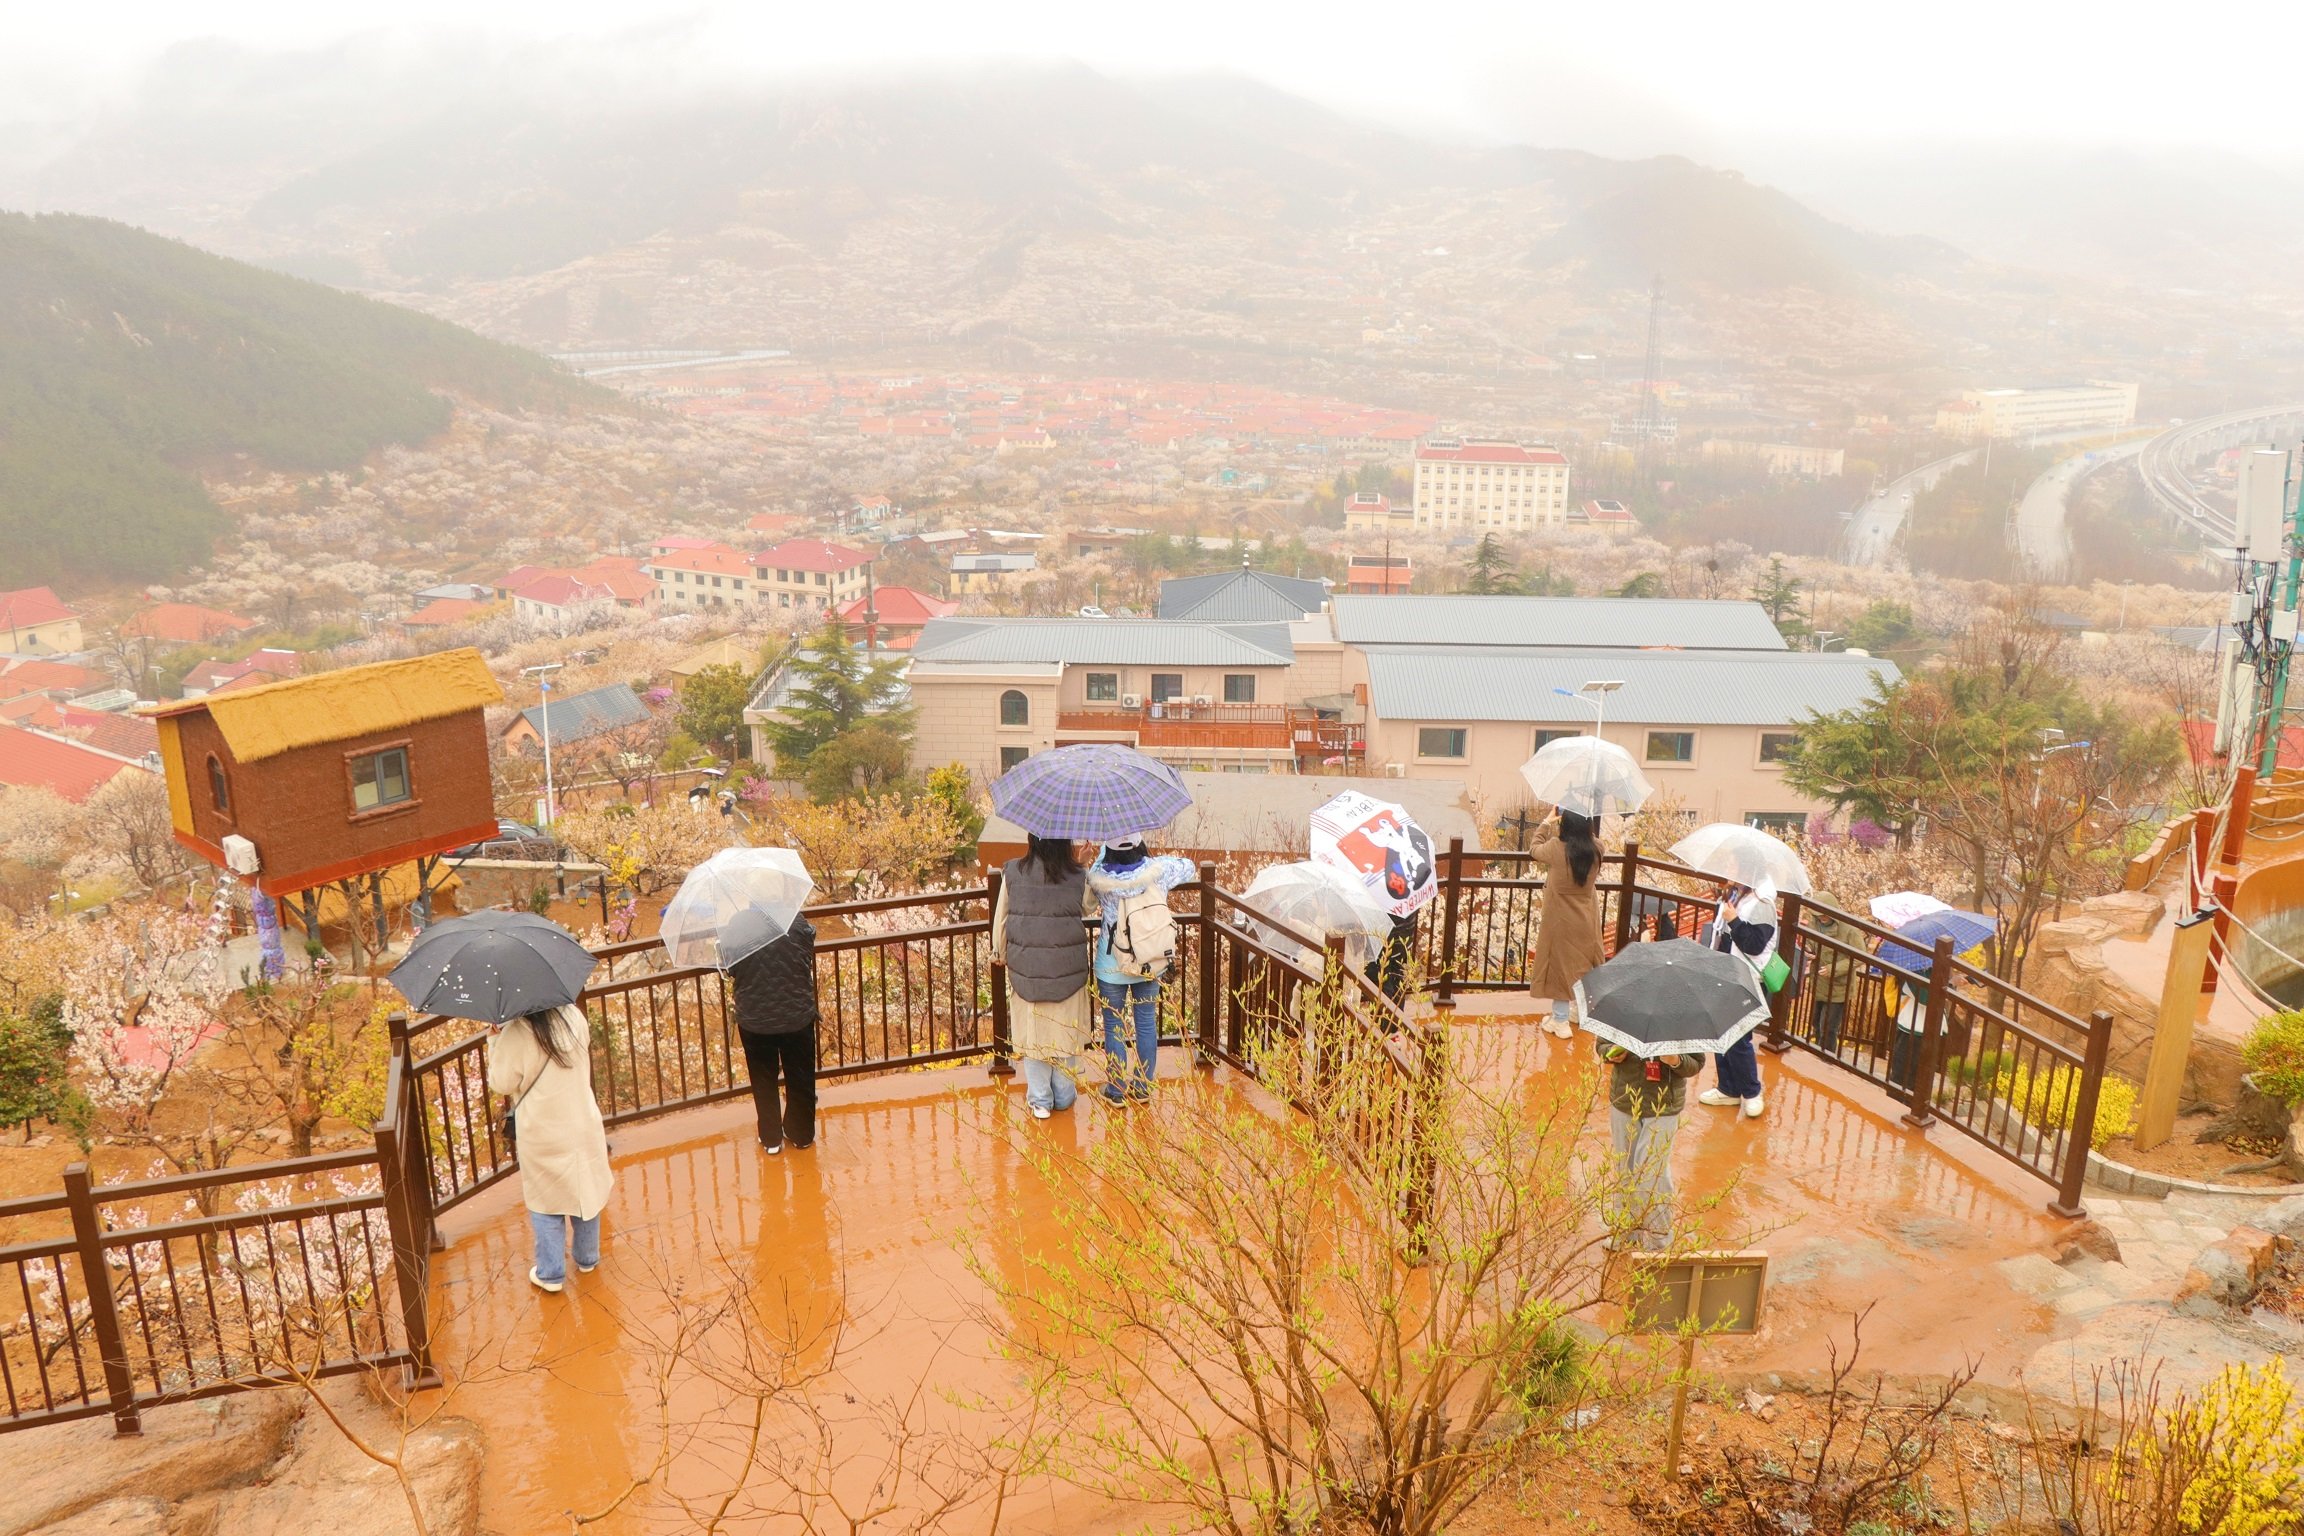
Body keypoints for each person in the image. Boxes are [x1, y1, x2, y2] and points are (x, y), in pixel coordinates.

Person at [488, 1004, 614, 1294]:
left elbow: (501, 1083)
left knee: (546, 1200)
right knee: (585, 1188)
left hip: (543, 1131)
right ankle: (587, 1258)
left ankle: (551, 1273)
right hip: (582, 1121)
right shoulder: (572, 1016)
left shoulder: (518, 1033)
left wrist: (495, 1040)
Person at [995, 834, 1096, 1119]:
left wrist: (1000, 952)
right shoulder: (1075, 875)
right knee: (1064, 1033)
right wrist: (1082, 865)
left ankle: (1040, 1100)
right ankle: (1063, 1097)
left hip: (1027, 969)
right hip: (1067, 971)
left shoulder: (1013, 871)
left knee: (1034, 1036)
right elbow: (1088, 906)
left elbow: (1002, 917)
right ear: (1064, 843)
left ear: (1032, 840)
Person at [1087, 839, 1195, 1104]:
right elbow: (1189, 867)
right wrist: (1155, 858)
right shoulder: (1158, 870)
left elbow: (1088, 893)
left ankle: (1116, 1091)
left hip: (1112, 963)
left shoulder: (1100, 877)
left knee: (1114, 1026)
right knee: (1145, 1022)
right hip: (1149, 960)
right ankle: (1143, 1087)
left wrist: (1099, 853)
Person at [728, 913, 821, 1154]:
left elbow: (731, 966)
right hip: (797, 1014)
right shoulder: (794, 920)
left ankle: (771, 1139)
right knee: (800, 1076)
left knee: (763, 1079)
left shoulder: (738, 924)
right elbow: (806, 951)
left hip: (755, 1018)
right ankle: (801, 1134)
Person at [1597, 1040, 1703, 1251]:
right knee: (1624, 1167)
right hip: (1625, 1099)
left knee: (1652, 1173)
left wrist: (1676, 1061)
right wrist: (1611, 1053)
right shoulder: (1623, 1007)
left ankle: (1659, 1239)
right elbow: (1601, 1045)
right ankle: (1626, 1231)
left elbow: (1696, 1063)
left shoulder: (1683, 1018)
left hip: (1663, 1105)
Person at [1698, 883, 1777, 1119]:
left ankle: (1752, 1092)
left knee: (1739, 1035)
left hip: (1746, 976)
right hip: (1726, 972)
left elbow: (1755, 945)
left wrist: (1733, 920)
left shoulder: (1763, 904)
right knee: (1721, 1032)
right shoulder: (1736, 895)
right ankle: (1728, 1088)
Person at [1527, 809, 1605, 1039]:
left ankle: (1560, 1021)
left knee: (1560, 967)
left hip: (1560, 920)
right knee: (1582, 966)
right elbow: (1596, 841)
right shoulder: (1596, 849)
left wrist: (1546, 822)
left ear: (1565, 827)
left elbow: (1533, 848)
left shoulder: (1555, 848)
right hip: (1587, 918)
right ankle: (1579, 1013)